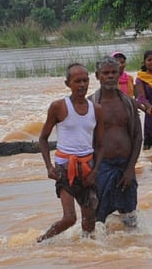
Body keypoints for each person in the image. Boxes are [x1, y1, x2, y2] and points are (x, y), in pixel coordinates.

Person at [37, 63, 104, 242]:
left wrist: (95, 171)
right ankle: (42, 242)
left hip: (88, 168)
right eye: (77, 81)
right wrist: (49, 166)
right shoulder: (58, 107)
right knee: (69, 218)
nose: (82, 85)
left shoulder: (96, 109)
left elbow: (100, 145)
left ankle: (86, 253)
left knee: (90, 221)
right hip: (64, 169)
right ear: (68, 83)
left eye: (85, 80)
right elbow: (43, 138)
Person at [88, 56, 143, 227]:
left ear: (120, 74)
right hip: (101, 166)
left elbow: (137, 136)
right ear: (97, 76)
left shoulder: (128, 103)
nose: (110, 76)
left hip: (125, 165)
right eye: (106, 73)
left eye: (114, 72)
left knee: (130, 215)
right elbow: (83, 139)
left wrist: (130, 169)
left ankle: (130, 250)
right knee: (98, 215)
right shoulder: (90, 105)